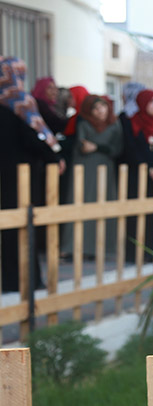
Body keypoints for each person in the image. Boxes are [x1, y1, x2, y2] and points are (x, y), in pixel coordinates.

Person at [0, 56, 62, 292]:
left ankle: (9, 281)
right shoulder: (20, 102)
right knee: (25, 226)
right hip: (22, 175)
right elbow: (34, 138)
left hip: (4, 175)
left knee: (8, 228)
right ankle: (28, 280)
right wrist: (54, 157)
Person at [71, 95, 123, 258]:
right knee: (83, 202)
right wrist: (90, 147)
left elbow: (117, 148)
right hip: (85, 169)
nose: (101, 111)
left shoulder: (115, 124)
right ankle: (78, 247)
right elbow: (82, 145)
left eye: (103, 106)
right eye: (96, 108)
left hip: (105, 169)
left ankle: (104, 247)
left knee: (104, 203)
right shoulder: (84, 123)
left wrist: (97, 147)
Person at [124, 89, 153, 263]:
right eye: (152, 101)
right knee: (135, 213)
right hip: (137, 174)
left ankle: (152, 252)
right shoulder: (131, 123)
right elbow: (130, 148)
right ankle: (133, 253)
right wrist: (147, 168)